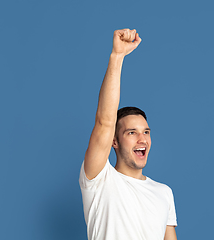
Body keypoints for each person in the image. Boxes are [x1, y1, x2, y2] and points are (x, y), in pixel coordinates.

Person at [79, 29, 178, 240]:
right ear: (114, 141)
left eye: (146, 132)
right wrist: (117, 56)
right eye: (131, 132)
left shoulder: (164, 193)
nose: (142, 139)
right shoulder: (99, 179)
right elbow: (105, 123)